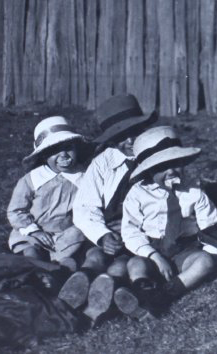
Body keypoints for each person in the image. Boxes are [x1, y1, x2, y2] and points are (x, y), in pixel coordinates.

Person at [62, 94, 157, 319]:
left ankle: (107, 288)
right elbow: (85, 206)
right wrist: (102, 235)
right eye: (121, 137)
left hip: (142, 233)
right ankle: (80, 284)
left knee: (123, 264)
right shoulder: (103, 163)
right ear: (111, 140)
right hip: (109, 231)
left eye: (136, 132)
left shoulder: (158, 158)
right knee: (95, 256)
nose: (131, 141)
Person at [122, 126, 217, 307]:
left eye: (175, 163)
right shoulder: (137, 194)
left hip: (184, 249)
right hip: (153, 250)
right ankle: (142, 289)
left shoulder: (193, 191)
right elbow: (130, 231)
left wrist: (212, 257)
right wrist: (154, 256)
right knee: (135, 264)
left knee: (204, 262)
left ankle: (166, 294)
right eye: (161, 167)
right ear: (148, 171)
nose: (171, 172)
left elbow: (211, 225)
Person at [7, 116, 88, 268]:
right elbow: (16, 210)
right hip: (36, 229)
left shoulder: (84, 177)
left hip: (66, 232)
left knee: (77, 239)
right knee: (31, 250)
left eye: (68, 147)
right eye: (55, 150)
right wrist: (34, 231)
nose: (63, 155)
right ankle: (35, 268)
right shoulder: (32, 179)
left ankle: (62, 269)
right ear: (43, 154)